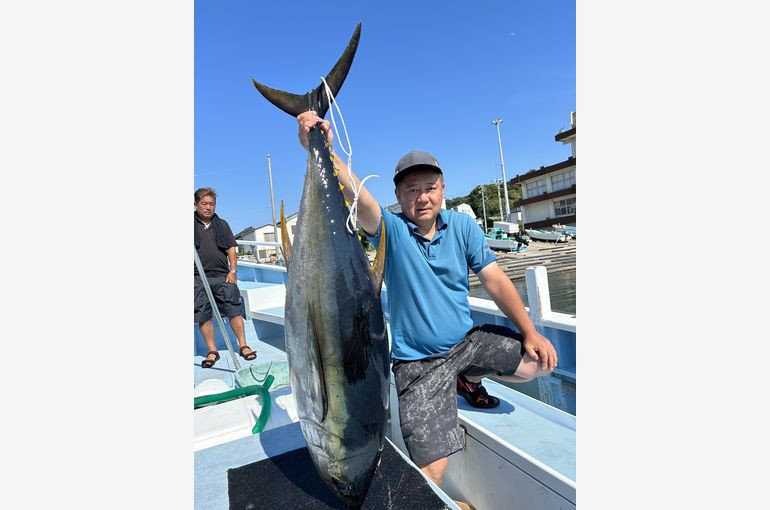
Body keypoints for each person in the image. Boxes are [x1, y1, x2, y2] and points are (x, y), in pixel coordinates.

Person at [296, 112, 558, 487]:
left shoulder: (463, 226)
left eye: (429, 187)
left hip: (466, 343)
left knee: (540, 364)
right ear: (399, 195)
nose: (422, 197)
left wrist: (529, 331)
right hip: (419, 364)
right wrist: (322, 147)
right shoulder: (390, 229)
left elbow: (496, 280)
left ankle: (466, 378)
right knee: (433, 471)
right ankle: (457, 381)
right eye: (412, 190)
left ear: (442, 189)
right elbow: (360, 197)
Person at [194, 187, 257, 368]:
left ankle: (243, 345)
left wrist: (233, 271)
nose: (208, 207)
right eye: (204, 204)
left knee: (234, 310)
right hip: (197, 278)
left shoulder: (222, 225)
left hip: (223, 276)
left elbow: (231, 248)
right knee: (203, 315)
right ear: (195, 204)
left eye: (212, 204)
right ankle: (212, 351)